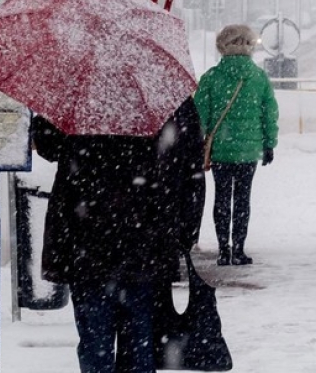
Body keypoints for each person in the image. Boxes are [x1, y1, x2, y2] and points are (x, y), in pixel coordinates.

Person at [32, 97, 206, 373]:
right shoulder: (166, 92)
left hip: (87, 239)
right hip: (146, 240)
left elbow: (47, 144)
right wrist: (185, 232)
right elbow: (191, 168)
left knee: (95, 343)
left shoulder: (81, 88)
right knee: (139, 341)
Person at [194, 24, 279, 266]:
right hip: (248, 150)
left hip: (221, 148)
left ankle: (223, 250)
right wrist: (269, 143)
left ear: (222, 46)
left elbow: (200, 114)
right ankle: (239, 249)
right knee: (243, 199)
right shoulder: (258, 77)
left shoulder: (211, 77)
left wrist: (200, 142)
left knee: (221, 198)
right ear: (250, 46)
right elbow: (269, 112)